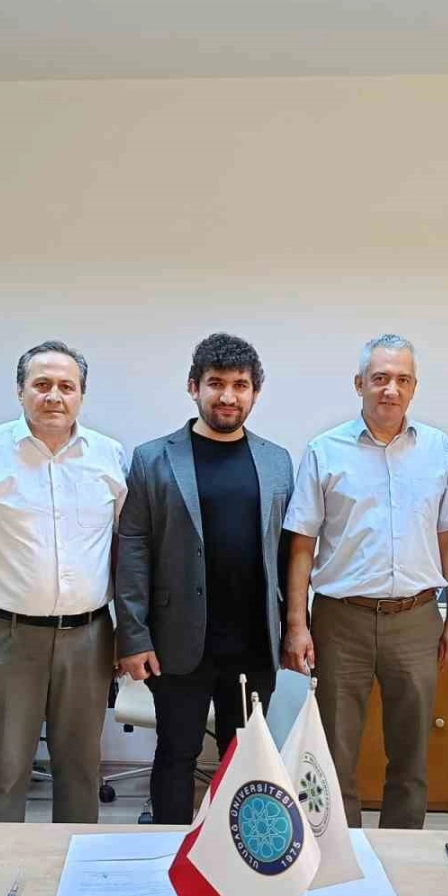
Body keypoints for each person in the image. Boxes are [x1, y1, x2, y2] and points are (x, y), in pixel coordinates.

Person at [0, 341, 127, 823]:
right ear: (20, 392)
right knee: (5, 772)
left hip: (89, 637)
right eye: (42, 385)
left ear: (81, 395)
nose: (54, 396)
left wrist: (129, 631)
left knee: (81, 770)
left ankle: (75, 864)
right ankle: (0, 865)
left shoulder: (109, 456)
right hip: (5, 636)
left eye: (66, 386)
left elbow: (126, 549)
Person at [282, 334, 448, 829]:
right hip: (341, 620)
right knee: (335, 750)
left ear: (414, 387)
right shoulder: (324, 451)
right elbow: (301, 545)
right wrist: (297, 625)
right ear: (359, 383)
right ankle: (341, 850)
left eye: (402, 379)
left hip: (416, 619)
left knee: (411, 752)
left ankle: (401, 849)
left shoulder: (438, 450)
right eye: (380, 378)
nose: (391, 389)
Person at [114, 333, 294, 825]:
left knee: (247, 759)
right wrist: (133, 635)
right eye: (216, 383)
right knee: (176, 753)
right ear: (193, 386)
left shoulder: (277, 461)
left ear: (255, 392)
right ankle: (170, 852)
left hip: (253, 643)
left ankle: (238, 853)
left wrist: (296, 627)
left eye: (240, 385)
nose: (227, 396)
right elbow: (132, 550)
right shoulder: (153, 458)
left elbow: (288, 553)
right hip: (178, 643)